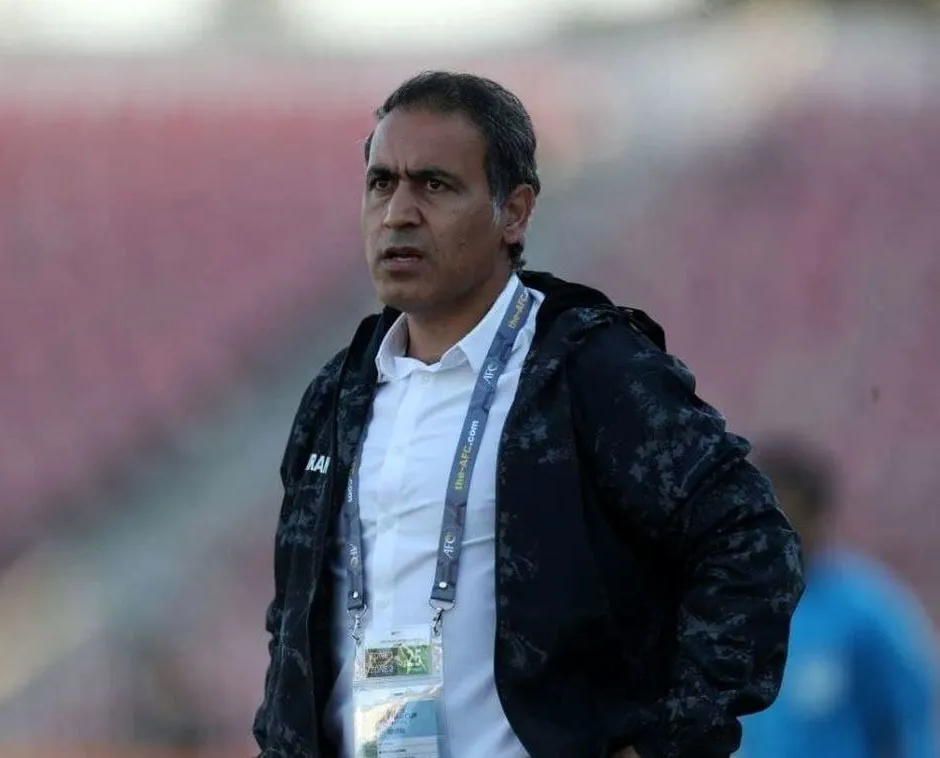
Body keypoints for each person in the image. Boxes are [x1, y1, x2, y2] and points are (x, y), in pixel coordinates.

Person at [252, 71, 805, 758]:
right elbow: (294, 621)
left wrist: (668, 741)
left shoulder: (588, 369)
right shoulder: (336, 395)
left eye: (434, 185)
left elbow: (753, 546)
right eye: (381, 183)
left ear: (513, 212)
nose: (397, 213)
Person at [737, 438, 938, 758]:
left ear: (816, 516)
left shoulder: (866, 610)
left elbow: (915, 720)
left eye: (781, 514)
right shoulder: (740, 607)